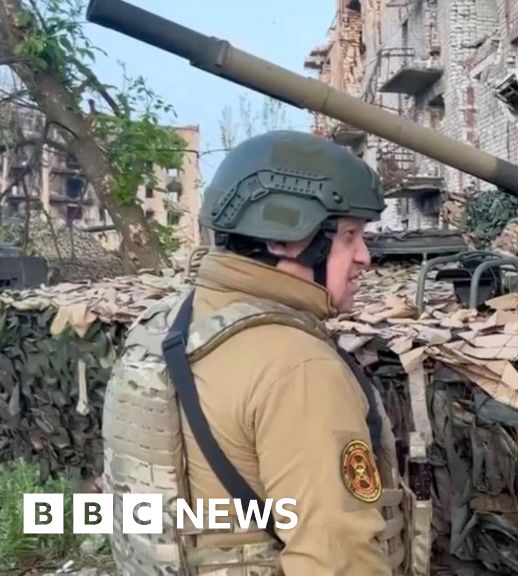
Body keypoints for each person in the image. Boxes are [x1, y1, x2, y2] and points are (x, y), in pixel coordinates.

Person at [101, 130, 405, 575]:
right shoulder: (298, 366)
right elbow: (337, 561)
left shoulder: (170, 322)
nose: (364, 257)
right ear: (285, 240)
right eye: (349, 236)